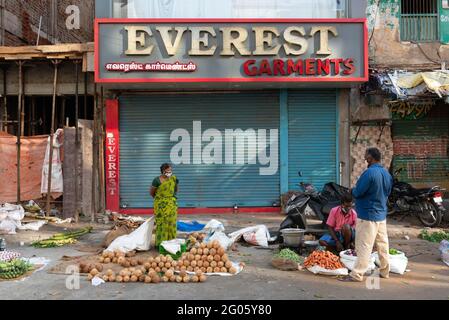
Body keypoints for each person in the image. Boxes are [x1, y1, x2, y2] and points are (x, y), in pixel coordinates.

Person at [339, 147, 393, 282]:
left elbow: (358, 192)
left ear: (370, 158)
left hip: (367, 215)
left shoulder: (369, 173)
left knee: (364, 245)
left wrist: (352, 191)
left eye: (365, 156)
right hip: (381, 215)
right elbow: (387, 192)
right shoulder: (386, 174)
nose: (364, 159)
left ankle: (357, 274)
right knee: (382, 244)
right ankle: (385, 271)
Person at [150, 163, 179, 249]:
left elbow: (176, 190)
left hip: (171, 205)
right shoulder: (156, 180)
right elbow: (152, 193)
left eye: (170, 171)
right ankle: (160, 245)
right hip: (160, 206)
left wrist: (169, 198)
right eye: (167, 171)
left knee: (172, 224)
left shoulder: (174, 179)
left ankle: (171, 244)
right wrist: (161, 200)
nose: (169, 173)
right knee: (161, 224)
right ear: (163, 172)